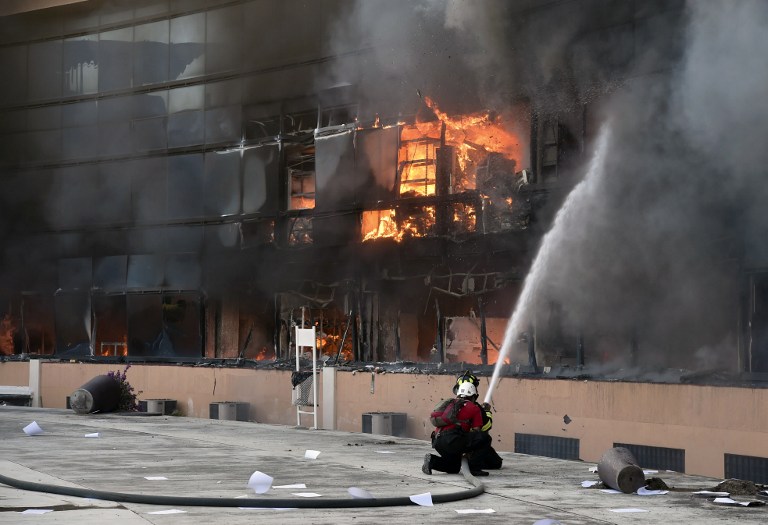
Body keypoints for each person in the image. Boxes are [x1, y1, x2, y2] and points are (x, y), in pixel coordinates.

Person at [422, 382, 493, 477]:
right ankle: (474, 469)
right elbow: (477, 431)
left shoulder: (450, 404)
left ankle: (432, 461)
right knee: (485, 438)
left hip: (437, 441)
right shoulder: (474, 408)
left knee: (454, 467)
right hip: (452, 440)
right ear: (473, 396)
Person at [452, 371, 503, 472]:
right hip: (470, 443)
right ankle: (472, 464)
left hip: (452, 442)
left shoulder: (452, 405)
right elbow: (485, 426)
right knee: (495, 461)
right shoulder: (475, 408)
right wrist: (487, 412)